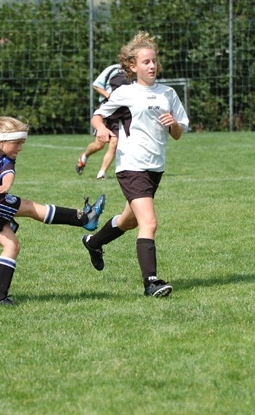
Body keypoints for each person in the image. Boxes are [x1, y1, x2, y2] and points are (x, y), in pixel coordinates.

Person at [0, 116, 106, 307]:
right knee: (30, 208)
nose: (20, 148)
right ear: (1, 140)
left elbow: (8, 173)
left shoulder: (7, 157)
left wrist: (6, 185)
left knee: (12, 245)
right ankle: (84, 219)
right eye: (17, 143)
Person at [82, 31, 189, 298]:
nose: (152, 66)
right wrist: (101, 129)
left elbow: (178, 134)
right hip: (131, 166)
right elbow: (98, 116)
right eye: (146, 62)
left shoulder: (168, 93)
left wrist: (174, 124)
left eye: (154, 61)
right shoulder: (125, 93)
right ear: (132, 66)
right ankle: (151, 282)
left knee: (128, 221)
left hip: (155, 167)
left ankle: (93, 242)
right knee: (149, 222)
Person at [76, 64, 131, 179]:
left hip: (122, 113)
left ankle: (101, 173)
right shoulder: (113, 69)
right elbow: (96, 85)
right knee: (99, 145)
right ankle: (84, 156)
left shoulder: (136, 72)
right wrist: (109, 96)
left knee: (114, 142)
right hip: (107, 111)